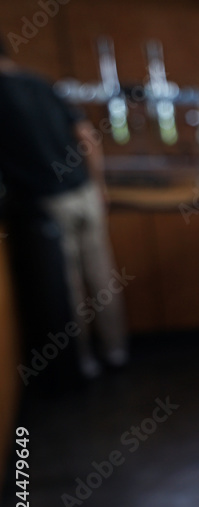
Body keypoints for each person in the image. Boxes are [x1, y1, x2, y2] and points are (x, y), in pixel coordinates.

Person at [0, 39, 128, 378]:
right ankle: (116, 350)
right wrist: (99, 184)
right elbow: (87, 136)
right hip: (84, 190)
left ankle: (82, 361)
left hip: (48, 200)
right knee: (101, 274)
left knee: (68, 286)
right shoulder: (41, 83)